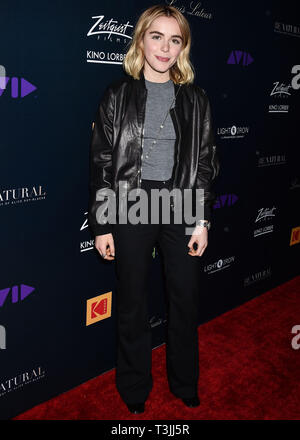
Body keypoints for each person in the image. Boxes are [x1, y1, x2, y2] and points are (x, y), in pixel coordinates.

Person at [88, 4, 220, 414]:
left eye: (174, 39)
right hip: (130, 205)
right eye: (157, 36)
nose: (165, 47)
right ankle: (133, 389)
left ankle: (184, 382)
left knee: (184, 299)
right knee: (131, 302)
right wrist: (102, 223)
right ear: (141, 39)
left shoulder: (196, 99)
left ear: (183, 47)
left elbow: (205, 162)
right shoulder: (117, 94)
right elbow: (103, 162)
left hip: (180, 204)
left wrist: (202, 220)